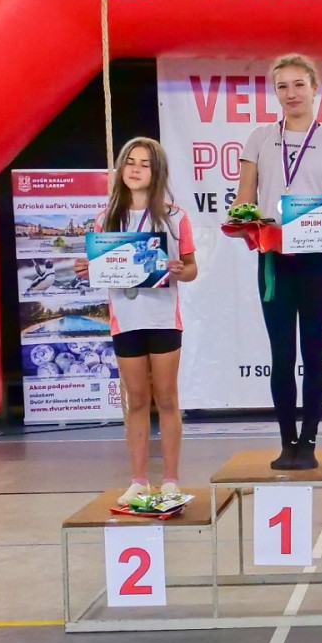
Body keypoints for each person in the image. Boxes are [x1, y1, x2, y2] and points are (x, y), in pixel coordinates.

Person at [233, 54, 322, 470]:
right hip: (274, 260)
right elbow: (244, 199)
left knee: (314, 350)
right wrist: (242, 221)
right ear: (275, 92)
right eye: (282, 86)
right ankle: (286, 441)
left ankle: (309, 440)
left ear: (314, 88)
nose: (291, 93)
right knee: (281, 354)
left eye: (298, 85)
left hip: (317, 261)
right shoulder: (259, 137)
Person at [100, 137, 197, 503]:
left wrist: (180, 269)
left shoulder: (175, 217)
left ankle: (170, 479)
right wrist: (86, 268)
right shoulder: (106, 219)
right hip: (125, 320)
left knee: (167, 398)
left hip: (162, 318)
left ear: (157, 173)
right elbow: (102, 267)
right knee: (136, 400)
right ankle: (139, 479)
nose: (136, 169)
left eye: (145, 164)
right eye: (130, 162)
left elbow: (191, 268)